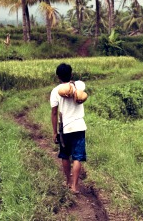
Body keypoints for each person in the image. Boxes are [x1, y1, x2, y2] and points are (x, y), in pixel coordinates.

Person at [50, 63, 87, 193]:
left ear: (58, 77)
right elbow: (80, 87)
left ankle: (68, 181)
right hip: (79, 126)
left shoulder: (55, 91)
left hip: (64, 128)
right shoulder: (79, 85)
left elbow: (54, 113)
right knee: (78, 157)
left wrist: (54, 132)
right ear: (71, 74)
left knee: (65, 155)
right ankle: (75, 186)